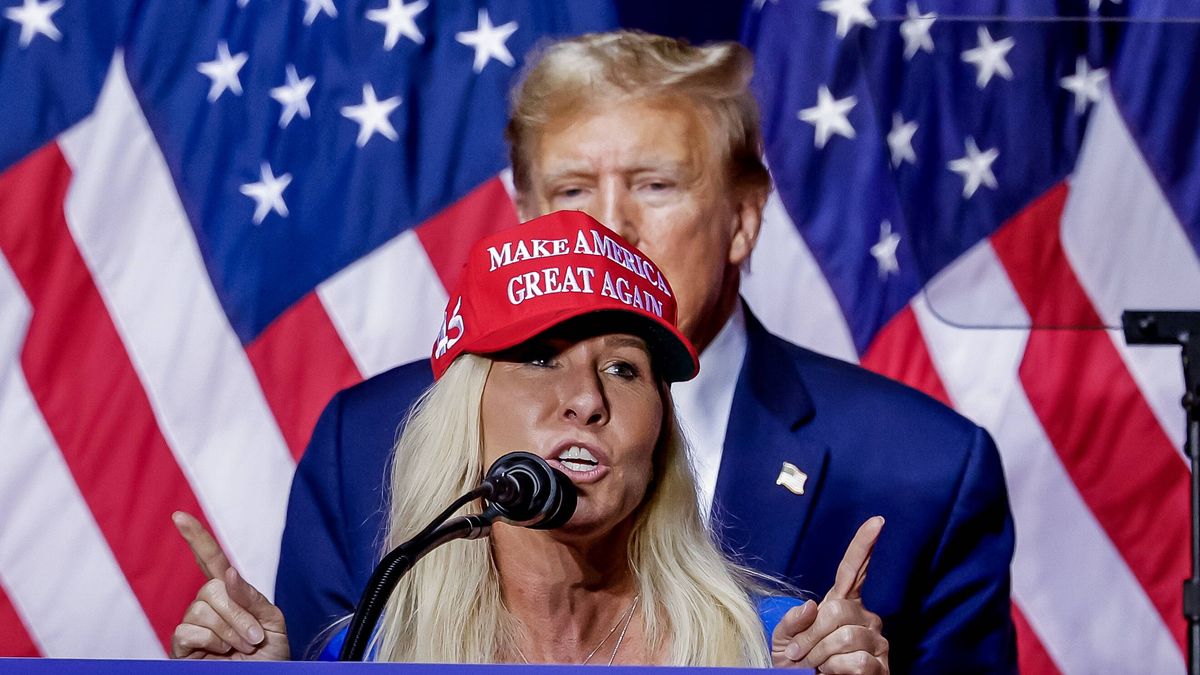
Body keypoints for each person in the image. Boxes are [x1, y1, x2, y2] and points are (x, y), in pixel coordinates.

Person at [277, 31, 1016, 673]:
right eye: (572, 189)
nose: (608, 227)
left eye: (655, 184)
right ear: (526, 214)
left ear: (743, 218)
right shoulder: (363, 439)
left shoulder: (922, 466)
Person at [171, 211, 890, 672]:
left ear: (660, 439)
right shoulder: (365, 652)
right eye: (541, 359)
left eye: (623, 368)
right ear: (467, 412)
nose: (586, 398)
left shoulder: (775, 652)